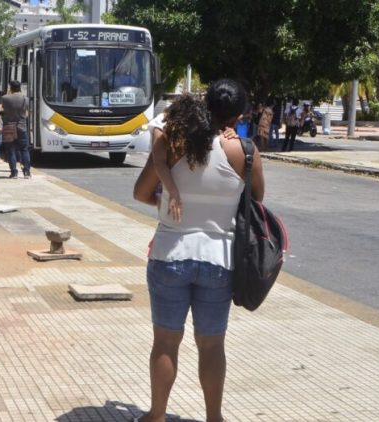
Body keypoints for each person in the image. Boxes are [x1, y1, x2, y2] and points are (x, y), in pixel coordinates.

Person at [133, 79, 265, 422]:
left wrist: (167, 199)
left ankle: (157, 416)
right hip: (219, 260)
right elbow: (256, 202)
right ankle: (214, 417)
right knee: (211, 344)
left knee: (165, 343)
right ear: (237, 116)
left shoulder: (175, 142)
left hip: (169, 255)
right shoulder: (246, 151)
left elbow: (140, 192)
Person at [0, 80, 31, 179]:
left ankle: (14, 172)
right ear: (20, 87)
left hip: (9, 126)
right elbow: (26, 113)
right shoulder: (25, 99)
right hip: (22, 126)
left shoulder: (5, 98)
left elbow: (3, 110)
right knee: (24, 149)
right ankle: (26, 172)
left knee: (10, 150)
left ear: (10, 87)